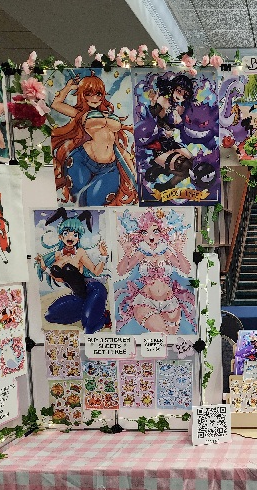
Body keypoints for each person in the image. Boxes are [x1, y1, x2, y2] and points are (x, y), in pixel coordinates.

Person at [51, 74, 136, 206]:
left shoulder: (109, 114)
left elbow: (118, 148)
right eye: (88, 94)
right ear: (82, 95)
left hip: (109, 166)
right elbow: (56, 104)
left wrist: (133, 171)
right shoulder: (81, 114)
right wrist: (68, 87)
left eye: (98, 94)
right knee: (80, 202)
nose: (94, 98)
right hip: (83, 160)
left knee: (95, 203)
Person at [115, 209, 195, 334]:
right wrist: (127, 254)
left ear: (161, 233)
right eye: (145, 232)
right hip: (145, 301)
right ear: (141, 235)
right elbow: (121, 271)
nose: (151, 236)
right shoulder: (141, 253)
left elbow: (185, 269)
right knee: (162, 333)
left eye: (155, 231)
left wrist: (179, 251)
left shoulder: (166, 252)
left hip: (169, 301)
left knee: (171, 336)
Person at [34, 210, 109, 334]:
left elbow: (96, 272)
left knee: (88, 328)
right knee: (50, 315)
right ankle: (90, 310)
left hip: (93, 289)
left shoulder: (80, 252)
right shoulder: (58, 255)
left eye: (75, 234)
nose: (70, 237)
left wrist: (103, 256)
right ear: (60, 236)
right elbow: (60, 279)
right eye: (66, 233)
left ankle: (102, 317)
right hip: (78, 296)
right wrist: (44, 267)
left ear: (78, 238)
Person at [139, 73, 194, 187]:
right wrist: (153, 103)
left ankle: (164, 182)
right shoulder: (163, 100)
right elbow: (152, 116)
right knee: (184, 165)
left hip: (172, 142)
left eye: (184, 95)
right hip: (160, 143)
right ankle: (160, 169)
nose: (180, 96)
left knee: (192, 162)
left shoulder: (180, 108)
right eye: (179, 91)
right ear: (173, 88)